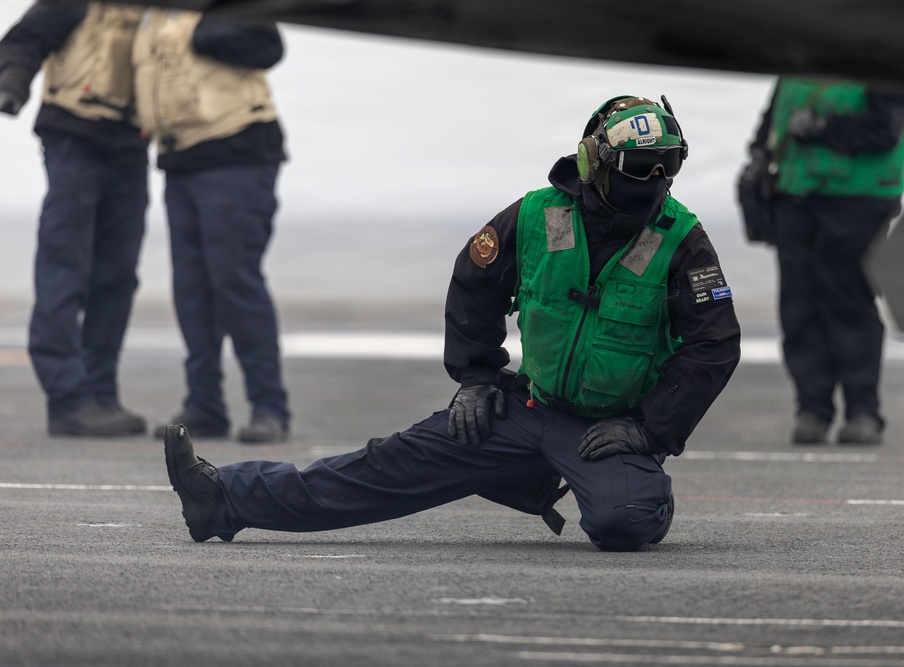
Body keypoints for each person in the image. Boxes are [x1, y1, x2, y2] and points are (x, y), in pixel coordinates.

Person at [164, 95, 741, 551]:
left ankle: (643, 496)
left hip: (605, 428)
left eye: (664, 171)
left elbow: (714, 345)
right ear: (595, 162)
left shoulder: (681, 239)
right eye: (638, 170)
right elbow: (474, 282)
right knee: (387, 464)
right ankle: (223, 499)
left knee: (622, 524)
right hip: (527, 407)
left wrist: (650, 431)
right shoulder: (537, 216)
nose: (652, 185)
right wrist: (478, 378)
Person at [132, 10, 292, 444]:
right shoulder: (153, 14)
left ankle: (269, 407)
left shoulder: (224, 6)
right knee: (192, 288)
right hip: (180, 162)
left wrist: (206, 30)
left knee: (235, 283)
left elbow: (269, 46)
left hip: (237, 152)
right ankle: (205, 406)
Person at [739, 77, 904, 445]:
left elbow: (883, 130)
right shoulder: (800, 56)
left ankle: (862, 411)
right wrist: (759, 151)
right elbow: (776, 115)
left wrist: (821, 129)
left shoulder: (886, 58)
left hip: (858, 197)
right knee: (799, 305)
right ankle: (812, 409)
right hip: (795, 193)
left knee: (848, 300)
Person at [0, 2, 149, 437]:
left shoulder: (166, 13)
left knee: (118, 275)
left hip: (132, 142)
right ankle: (67, 398)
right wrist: (11, 85)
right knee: (65, 266)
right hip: (74, 133)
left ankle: (101, 394)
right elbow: (25, 38)